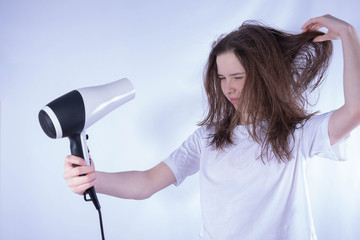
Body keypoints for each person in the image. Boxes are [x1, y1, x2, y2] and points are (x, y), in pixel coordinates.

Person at [63, 14, 360, 240]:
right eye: (222, 78)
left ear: (262, 75)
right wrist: (92, 179)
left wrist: (348, 34)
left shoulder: (297, 135)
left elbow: (355, 110)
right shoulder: (206, 139)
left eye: (238, 77)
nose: (228, 88)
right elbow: (146, 182)